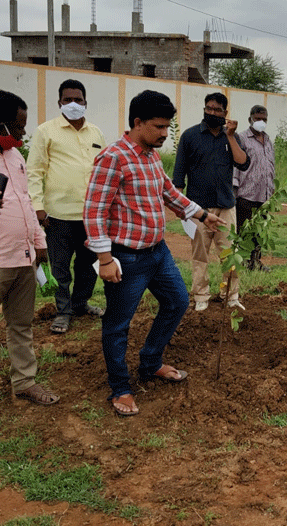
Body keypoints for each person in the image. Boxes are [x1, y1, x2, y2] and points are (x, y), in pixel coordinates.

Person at [84, 90, 224, 417]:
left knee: (176, 301)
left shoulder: (150, 156)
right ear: (137, 122)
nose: (165, 133)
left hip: (157, 253)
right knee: (118, 324)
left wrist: (201, 214)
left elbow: (168, 192)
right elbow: (94, 211)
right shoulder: (113, 158)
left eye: (167, 127)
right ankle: (120, 387)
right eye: (159, 127)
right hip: (126, 258)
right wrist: (105, 259)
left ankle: (150, 362)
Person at [0, 90, 60, 430]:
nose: (21, 137)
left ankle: (25, 382)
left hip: (23, 258)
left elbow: (26, 203)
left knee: (22, 326)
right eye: (17, 129)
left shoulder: (14, 158)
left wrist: (39, 241)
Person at [27, 79, 106, 334]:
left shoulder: (95, 133)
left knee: (88, 264)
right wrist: (38, 207)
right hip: (58, 215)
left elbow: (104, 170)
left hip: (91, 215)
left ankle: (81, 303)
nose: (73, 104)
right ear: (60, 102)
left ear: (85, 102)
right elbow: (34, 172)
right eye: (67, 100)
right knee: (60, 267)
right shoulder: (46, 131)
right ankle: (63, 311)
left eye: (78, 100)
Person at [173, 92, 250, 312]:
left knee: (230, 253)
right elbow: (179, 175)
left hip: (226, 205)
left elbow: (243, 163)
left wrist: (231, 136)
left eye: (217, 110)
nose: (212, 113)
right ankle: (200, 296)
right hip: (198, 208)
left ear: (225, 113)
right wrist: (181, 208)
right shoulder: (189, 136)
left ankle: (231, 295)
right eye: (208, 108)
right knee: (200, 254)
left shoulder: (232, 137)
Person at [233, 105, 275, 272]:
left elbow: (270, 165)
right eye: (257, 118)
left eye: (264, 119)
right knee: (244, 230)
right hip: (246, 193)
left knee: (259, 230)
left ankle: (256, 263)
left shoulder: (268, 140)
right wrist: (235, 189)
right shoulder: (241, 138)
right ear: (250, 119)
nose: (261, 122)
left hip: (264, 195)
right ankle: (242, 262)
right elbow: (236, 165)